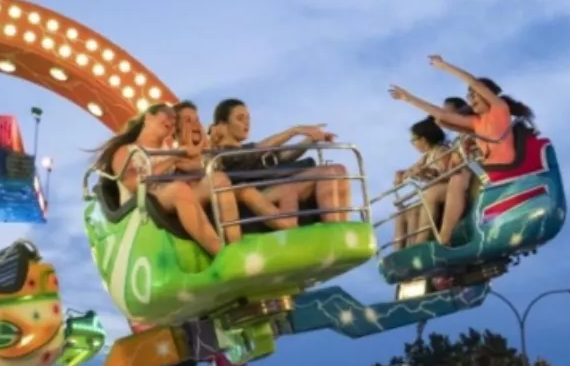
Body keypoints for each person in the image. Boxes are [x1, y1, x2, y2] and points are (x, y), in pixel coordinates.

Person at [388, 55, 536, 244]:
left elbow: (472, 81)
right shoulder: (476, 122)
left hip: (502, 170)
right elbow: (442, 115)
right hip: (485, 172)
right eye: (468, 96)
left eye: (473, 94)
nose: (471, 99)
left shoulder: (499, 109)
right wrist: (408, 98)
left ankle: (444, 238)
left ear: (487, 94)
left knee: (459, 177)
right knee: (432, 193)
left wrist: (444, 66)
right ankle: (418, 247)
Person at [90, 103, 231, 255]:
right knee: (179, 189)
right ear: (148, 117)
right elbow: (134, 184)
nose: (171, 121)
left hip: (171, 200)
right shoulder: (126, 151)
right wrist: (173, 158)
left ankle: (236, 244)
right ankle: (220, 252)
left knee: (218, 180)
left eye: (174, 120)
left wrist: (205, 149)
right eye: (167, 115)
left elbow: (195, 166)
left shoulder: (168, 149)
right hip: (140, 208)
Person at [210, 98, 353, 223]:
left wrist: (311, 140)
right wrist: (294, 131)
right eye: (240, 118)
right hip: (259, 196)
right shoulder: (221, 154)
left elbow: (284, 156)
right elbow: (259, 150)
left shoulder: (250, 150)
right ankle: (335, 229)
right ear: (223, 124)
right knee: (328, 172)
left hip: (276, 185)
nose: (246, 123)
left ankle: (342, 230)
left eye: (248, 118)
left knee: (339, 170)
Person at [172, 101, 297, 230]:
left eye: (197, 119)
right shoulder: (175, 158)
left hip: (230, 200)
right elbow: (200, 168)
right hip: (209, 210)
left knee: (287, 187)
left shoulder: (211, 150)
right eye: (188, 121)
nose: (195, 124)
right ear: (175, 129)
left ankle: (292, 227)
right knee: (246, 190)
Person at [393, 118, 456, 247]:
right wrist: (402, 174)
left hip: (445, 190)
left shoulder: (441, 151)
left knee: (417, 208)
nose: (412, 144)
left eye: (413, 140)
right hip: (431, 191)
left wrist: (425, 173)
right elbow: (412, 170)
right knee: (403, 213)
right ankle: (401, 250)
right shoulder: (427, 156)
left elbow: (443, 174)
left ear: (423, 139)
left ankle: (418, 244)